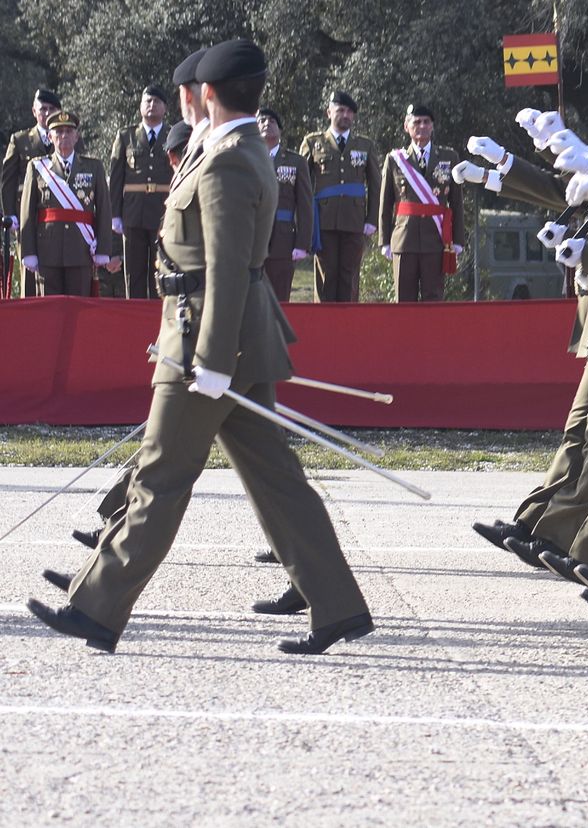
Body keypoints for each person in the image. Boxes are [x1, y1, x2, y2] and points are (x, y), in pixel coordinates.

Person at [27, 38, 373, 655]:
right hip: (217, 334)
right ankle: (339, 606)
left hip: (208, 339)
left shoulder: (233, 158)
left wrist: (211, 362)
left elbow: (228, 267)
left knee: (161, 471)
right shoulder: (226, 149)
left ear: (207, 94)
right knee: (275, 478)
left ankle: (97, 609)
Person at [18, 111, 117, 296]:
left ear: (76, 136)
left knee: (79, 312)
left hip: (80, 250)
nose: (64, 135)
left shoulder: (94, 167)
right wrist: (28, 251)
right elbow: (27, 214)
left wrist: (103, 249)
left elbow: (104, 210)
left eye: (69, 131)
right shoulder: (37, 167)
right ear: (49, 136)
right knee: (49, 312)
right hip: (48, 251)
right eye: (58, 131)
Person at [377, 103, 464, 302]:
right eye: (416, 122)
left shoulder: (449, 157)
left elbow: (456, 203)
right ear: (406, 126)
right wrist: (384, 241)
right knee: (404, 300)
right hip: (403, 240)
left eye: (426, 122)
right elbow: (385, 203)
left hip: (435, 241)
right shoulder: (395, 159)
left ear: (433, 126)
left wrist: (458, 240)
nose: (422, 126)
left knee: (433, 299)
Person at [299, 90, 380, 301]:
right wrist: (304, 224)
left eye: (350, 112)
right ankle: (324, 328)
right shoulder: (313, 142)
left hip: (354, 222)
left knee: (350, 277)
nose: (346, 115)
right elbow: (302, 187)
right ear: (329, 112)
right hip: (323, 222)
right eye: (341, 110)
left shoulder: (365, 145)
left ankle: (349, 328)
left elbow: (375, 184)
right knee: (326, 276)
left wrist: (372, 219)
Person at [108, 85, 175, 298]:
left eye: (157, 101)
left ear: (165, 108)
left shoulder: (174, 136)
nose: (152, 105)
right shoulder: (126, 136)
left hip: (163, 215)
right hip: (133, 214)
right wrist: (115, 214)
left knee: (161, 272)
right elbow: (117, 178)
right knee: (134, 274)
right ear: (140, 107)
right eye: (147, 101)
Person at [3, 88, 64, 296]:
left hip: (58, 216)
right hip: (27, 215)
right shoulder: (20, 140)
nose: (47, 114)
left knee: (56, 271)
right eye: (43, 109)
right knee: (29, 268)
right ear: (34, 111)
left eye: (51, 109)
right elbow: (8, 181)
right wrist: (9, 213)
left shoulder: (69, 137)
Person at [257, 108, 313, 301]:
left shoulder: (295, 161)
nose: (266, 123)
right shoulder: (245, 158)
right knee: (253, 299)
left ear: (280, 130)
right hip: (252, 238)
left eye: (272, 120)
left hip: (283, 240)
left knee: (280, 299)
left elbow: (305, 205)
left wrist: (302, 243)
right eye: (262, 120)